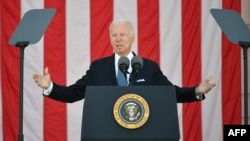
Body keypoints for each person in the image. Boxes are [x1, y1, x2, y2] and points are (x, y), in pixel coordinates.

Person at [33, 19, 216, 103]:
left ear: (132, 38)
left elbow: (171, 94)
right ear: (110, 39)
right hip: (106, 134)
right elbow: (73, 94)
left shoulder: (148, 67)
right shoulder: (98, 68)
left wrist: (196, 91)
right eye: (114, 35)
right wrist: (49, 86)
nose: (118, 39)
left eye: (122, 35)